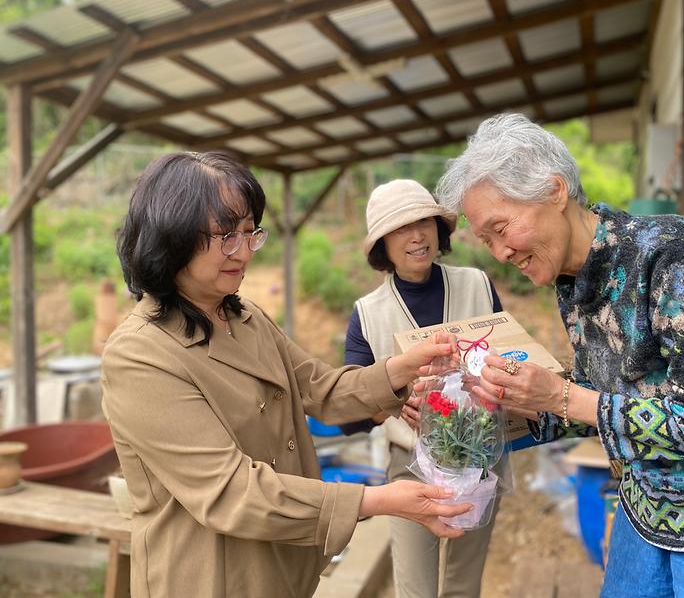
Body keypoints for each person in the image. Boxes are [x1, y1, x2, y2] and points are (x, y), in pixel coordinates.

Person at [435, 113, 684, 597]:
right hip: (657, 493)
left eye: (501, 228)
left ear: (555, 191)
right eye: (487, 240)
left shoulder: (673, 254)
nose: (500, 253)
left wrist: (559, 396)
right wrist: (484, 407)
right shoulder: (574, 279)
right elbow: (604, 402)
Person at [102, 152, 471, 598]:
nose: (243, 252)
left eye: (249, 232)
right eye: (225, 235)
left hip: (279, 568)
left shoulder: (245, 316)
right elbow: (230, 491)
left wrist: (403, 367)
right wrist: (375, 499)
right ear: (171, 237)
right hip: (208, 579)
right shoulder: (140, 354)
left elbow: (321, 389)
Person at [341, 179, 503, 598]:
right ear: (382, 244)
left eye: (423, 222)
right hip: (409, 464)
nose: (416, 236)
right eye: (400, 228)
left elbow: (507, 359)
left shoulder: (476, 285)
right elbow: (350, 414)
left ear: (438, 228)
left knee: (464, 583)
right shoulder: (368, 314)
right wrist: (395, 403)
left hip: (479, 457)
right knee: (415, 586)